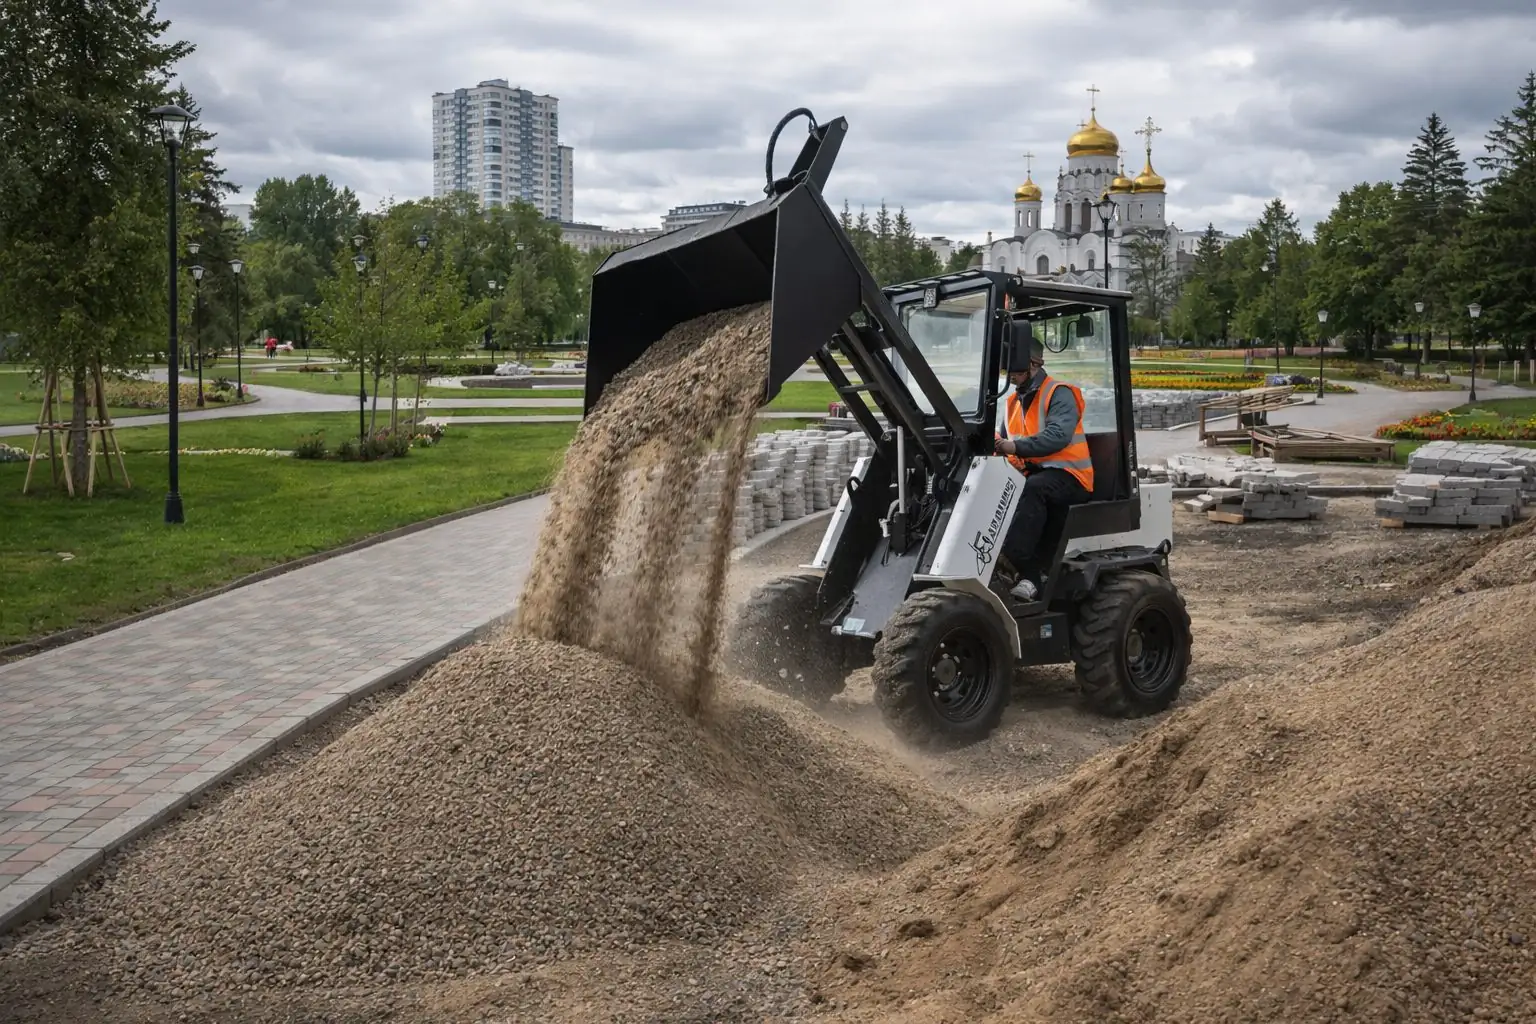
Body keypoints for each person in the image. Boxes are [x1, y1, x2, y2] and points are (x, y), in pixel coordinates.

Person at [994, 323, 1095, 602]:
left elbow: (1057, 436)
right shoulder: (1013, 401)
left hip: (1071, 477)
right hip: (1034, 474)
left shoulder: (1059, 393)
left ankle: (1026, 570)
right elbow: (1004, 439)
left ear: (1034, 364)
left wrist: (1012, 446)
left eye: (1013, 367)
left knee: (1034, 489)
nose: (1008, 374)